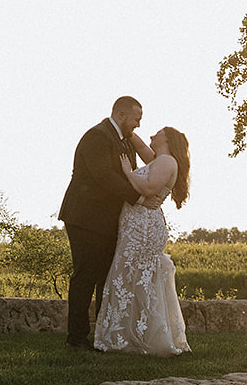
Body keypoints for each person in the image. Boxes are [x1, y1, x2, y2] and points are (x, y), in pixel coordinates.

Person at [59, 96, 160, 349]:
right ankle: (76, 338)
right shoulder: (97, 137)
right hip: (85, 216)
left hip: (106, 219)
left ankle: (105, 336)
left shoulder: (123, 140)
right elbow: (104, 177)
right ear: (122, 114)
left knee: (106, 277)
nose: (138, 124)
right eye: (136, 119)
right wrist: (139, 198)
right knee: (85, 276)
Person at [93, 126, 191, 356]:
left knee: (134, 277)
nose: (151, 136)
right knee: (129, 277)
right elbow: (138, 143)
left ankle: (141, 337)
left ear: (167, 139)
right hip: (135, 225)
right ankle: (129, 334)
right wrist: (120, 124)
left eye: (157, 134)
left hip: (144, 228)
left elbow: (148, 189)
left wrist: (127, 172)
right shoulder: (159, 159)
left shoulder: (167, 162)